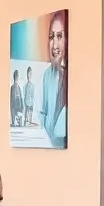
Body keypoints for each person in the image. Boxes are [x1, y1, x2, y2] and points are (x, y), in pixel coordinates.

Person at [38, 11, 68, 146]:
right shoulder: (47, 75)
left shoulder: (70, 77)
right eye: (51, 37)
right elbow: (42, 114)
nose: (55, 45)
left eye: (60, 36)